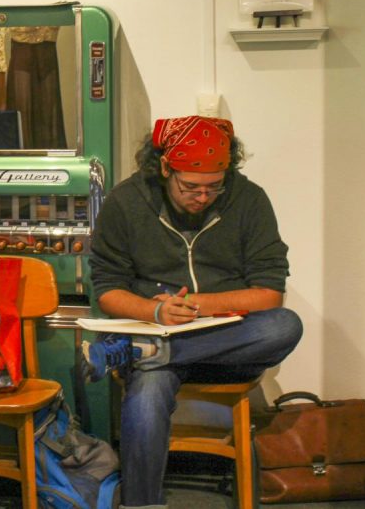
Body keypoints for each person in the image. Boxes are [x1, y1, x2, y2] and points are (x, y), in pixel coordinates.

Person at [84, 115, 302, 509]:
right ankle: (141, 504)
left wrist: (200, 306)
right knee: (147, 393)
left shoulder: (249, 200)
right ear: (165, 167)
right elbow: (107, 291)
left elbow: (270, 294)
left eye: (214, 188)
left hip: (226, 347)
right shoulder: (126, 202)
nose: (202, 197)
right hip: (154, 335)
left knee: (285, 326)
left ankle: (150, 352)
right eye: (191, 188)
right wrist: (155, 311)